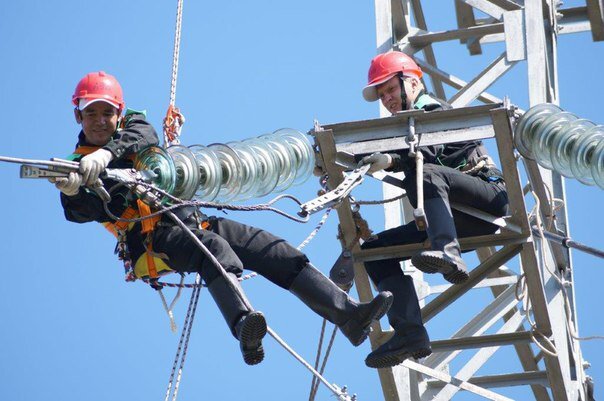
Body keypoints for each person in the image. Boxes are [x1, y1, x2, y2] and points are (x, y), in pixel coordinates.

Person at [52, 71, 393, 366]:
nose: (99, 120)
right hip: (151, 243)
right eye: (91, 113)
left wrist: (107, 154)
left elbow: (145, 136)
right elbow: (82, 212)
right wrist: (73, 189)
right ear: (78, 118)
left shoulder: (132, 130)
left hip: (192, 222)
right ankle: (244, 325)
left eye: (107, 113)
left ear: (118, 113)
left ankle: (349, 316)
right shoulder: (75, 165)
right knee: (213, 249)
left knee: (272, 249)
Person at [356, 52, 509, 368]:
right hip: (453, 217)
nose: (387, 99)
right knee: (375, 251)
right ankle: (410, 333)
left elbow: (425, 153)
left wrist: (386, 157)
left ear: (411, 82)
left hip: (486, 199)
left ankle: (448, 253)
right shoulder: (405, 129)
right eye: (381, 95)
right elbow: (408, 153)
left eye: (390, 90)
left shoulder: (432, 111)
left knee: (423, 174)